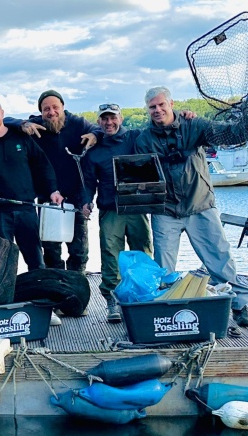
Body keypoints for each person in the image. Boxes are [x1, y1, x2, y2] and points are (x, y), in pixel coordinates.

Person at [135, 86, 248, 327]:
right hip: (166, 211)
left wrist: (247, 119)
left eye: (161, 105)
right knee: (163, 266)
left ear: (171, 104)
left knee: (220, 258)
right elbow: (142, 177)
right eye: (152, 107)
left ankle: (239, 304)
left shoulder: (195, 125)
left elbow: (229, 135)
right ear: (147, 110)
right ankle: (164, 310)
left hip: (200, 205)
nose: (157, 110)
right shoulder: (143, 139)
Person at [0, 98, 64, 326]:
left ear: (2, 113)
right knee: (0, 264)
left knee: (36, 260)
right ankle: (3, 309)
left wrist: (53, 190)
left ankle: (44, 308)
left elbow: (43, 165)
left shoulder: (22, 138)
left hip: (26, 209)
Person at [4, 90, 104, 273]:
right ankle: (56, 288)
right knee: (50, 251)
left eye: (55, 107)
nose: (51, 112)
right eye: (46, 109)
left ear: (63, 107)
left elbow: (99, 129)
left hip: (76, 196)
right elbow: (5, 121)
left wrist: (95, 135)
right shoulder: (36, 125)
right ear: (41, 112)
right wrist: (23, 124)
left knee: (79, 251)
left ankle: (77, 284)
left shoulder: (78, 124)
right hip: (47, 197)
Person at [81, 103, 153, 323]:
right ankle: (112, 300)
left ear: (120, 118)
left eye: (113, 118)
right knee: (111, 255)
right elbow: (88, 182)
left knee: (142, 252)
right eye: (104, 119)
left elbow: (159, 128)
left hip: (137, 207)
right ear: (99, 121)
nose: (109, 123)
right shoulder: (94, 150)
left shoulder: (135, 137)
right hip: (110, 209)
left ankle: (144, 297)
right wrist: (86, 201)